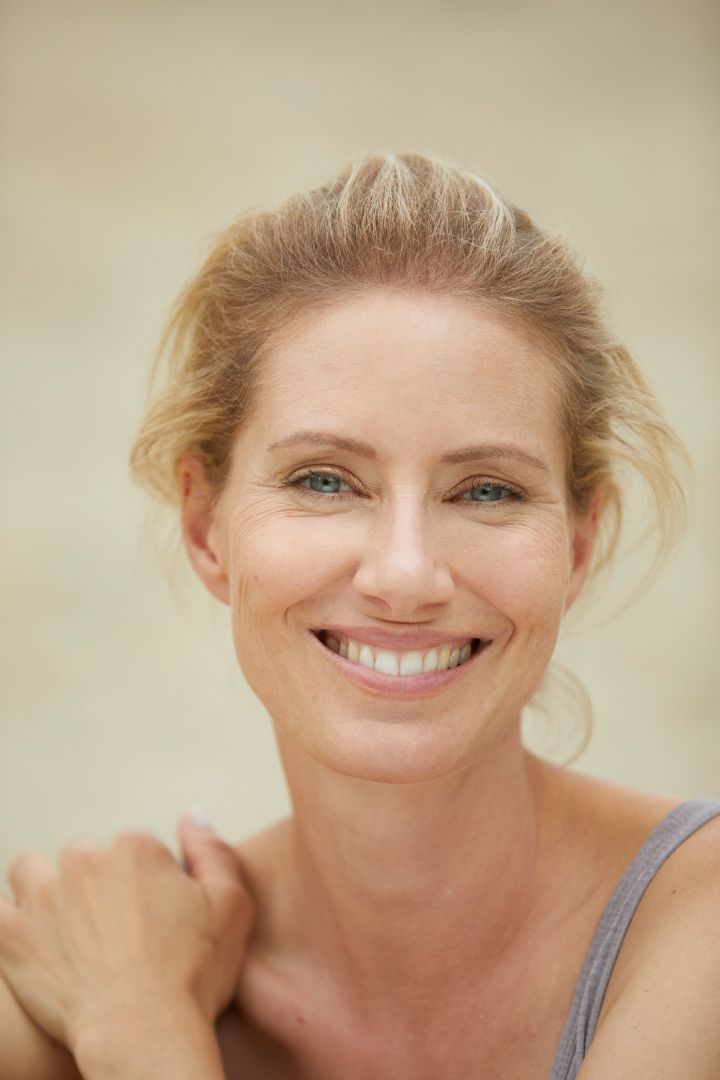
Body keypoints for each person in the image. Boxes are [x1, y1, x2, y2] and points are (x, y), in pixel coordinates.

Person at [0, 152, 718, 1080]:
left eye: (488, 490)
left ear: (578, 546)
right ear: (204, 527)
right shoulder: (76, 980)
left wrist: (144, 1040)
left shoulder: (695, 929)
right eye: (325, 480)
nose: (406, 575)